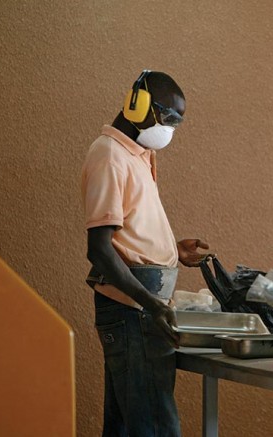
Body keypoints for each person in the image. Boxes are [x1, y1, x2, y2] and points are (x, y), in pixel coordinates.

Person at [81, 70, 210, 436]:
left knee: (128, 425)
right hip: (133, 309)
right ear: (136, 105)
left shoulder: (135, 155)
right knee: (154, 424)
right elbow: (100, 250)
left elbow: (129, 230)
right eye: (168, 117)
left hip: (138, 308)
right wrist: (151, 304)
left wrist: (172, 250)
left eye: (176, 122)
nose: (170, 129)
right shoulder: (111, 156)